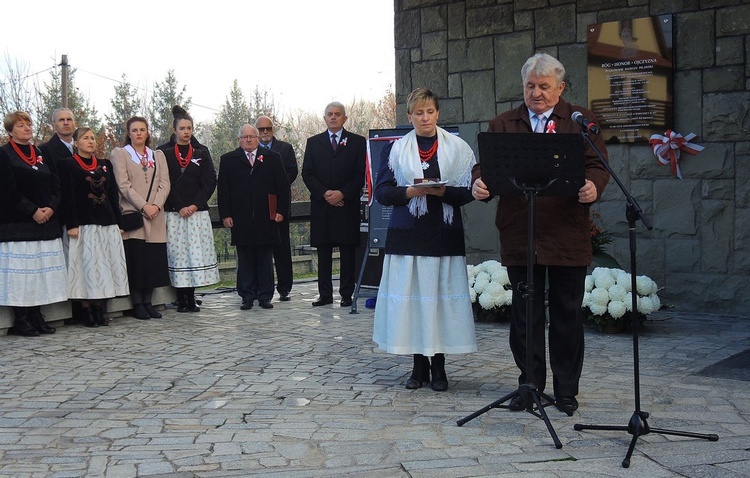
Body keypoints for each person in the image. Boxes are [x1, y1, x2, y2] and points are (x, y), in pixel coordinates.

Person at [471, 53, 611, 414]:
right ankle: (529, 385)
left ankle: (566, 390)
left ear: (561, 88)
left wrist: (594, 185)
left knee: (566, 314)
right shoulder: (504, 124)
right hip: (521, 233)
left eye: (544, 86)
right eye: (530, 86)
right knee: (525, 314)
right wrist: (479, 183)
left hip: (566, 233)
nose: (536, 93)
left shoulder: (579, 122)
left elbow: (597, 163)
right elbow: (484, 166)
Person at [372, 88, 477, 391]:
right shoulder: (395, 150)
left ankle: (440, 368)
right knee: (415, 303)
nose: (425, 117)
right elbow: (382, 192)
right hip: (408, 236)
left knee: (440, 303)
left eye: (430, 111)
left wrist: (443, 192)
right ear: (409, 116)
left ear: (437, 113)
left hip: (444, 235)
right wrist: (410, 192)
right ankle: (418, 367)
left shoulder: (457, 148)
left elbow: (469, 192)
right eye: (419, 112)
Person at [0, 111, 67, 336]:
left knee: (39, 273)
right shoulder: (4, 155)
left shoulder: (41, 153)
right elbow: (8, 191)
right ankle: (21, 318)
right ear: (10, 130)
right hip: (18, 225)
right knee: (23, 274)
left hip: (46, 223)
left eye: (28, 124)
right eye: (21, 125)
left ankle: (37, 315)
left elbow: (56, 186)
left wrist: (50, 208)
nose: (27, 128)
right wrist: (33, 211)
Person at [58, 127, 129, 327]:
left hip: (105, 223)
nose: (90, 141)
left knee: (104, 267)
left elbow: (112, 195)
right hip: (83, 224)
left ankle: (100, 307)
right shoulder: (68, 165)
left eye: (92, 138)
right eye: (85, 138)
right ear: (76, 142)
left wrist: (119, 223)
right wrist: (71, 224)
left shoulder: (105, 165)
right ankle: (87, 309)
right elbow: (68, 196)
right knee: (86, 266)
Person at [217, 124, 290, 310]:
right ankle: (247, 296)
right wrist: (225, 214)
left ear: (257, 138)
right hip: (241, 218)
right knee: (245, 258)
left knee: (265, 258)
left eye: (252, 136)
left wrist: (281, 211)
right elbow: (223, 191)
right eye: (244, 137)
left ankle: (265, 296)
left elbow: (282, 187)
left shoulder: (273, 158)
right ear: (239, 139)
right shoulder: (228, 160)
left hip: (267, 217)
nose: (248, 140)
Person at [301, 102, 366, 307]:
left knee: (347, 251)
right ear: (324, 118)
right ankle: (325, 294)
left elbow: (360, 174)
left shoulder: (357, 142)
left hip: (347, 206)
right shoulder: (314, 142)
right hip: (323, 207)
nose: (333, 117)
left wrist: (342, 194)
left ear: (345, 118)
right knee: (324, 250)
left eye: (338, 114)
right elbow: (307, 173)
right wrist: (325, 194)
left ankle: (347, 294)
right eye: (329, 114)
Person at [157, 106, 219, 313]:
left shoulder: (201, 153)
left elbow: (209, 181)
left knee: (193, 254)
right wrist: (179, 206)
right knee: (178, 254)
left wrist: (194, 205)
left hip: (196, 212)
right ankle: (180, 298)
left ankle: (191, 298)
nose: (186, 131)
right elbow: (164, 182)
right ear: (174, 130)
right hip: (174, 213)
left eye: (189, 128)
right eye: (182, 128)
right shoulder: (164, 153)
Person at [111, 116, 171, 321]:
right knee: (137, 261)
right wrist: (144, 206)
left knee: (153, 262)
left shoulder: (157, 155)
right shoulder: (121, 154)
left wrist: (155, 205)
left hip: (155, 215)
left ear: (147, 133)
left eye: (142, 130)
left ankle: (149, 302)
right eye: (134, 130)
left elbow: (165, 184)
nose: (138, 133)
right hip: (134, 214)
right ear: (128, 133)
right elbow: (123, 184)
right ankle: (138, 303)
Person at [255, 115, 298, 302]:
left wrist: (276, 186)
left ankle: (284, 287)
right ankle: (260, 287)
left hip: (279, 204)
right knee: (259, 250)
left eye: (268, 129)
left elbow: (292, 171)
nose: (265, 132)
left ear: (273, 130)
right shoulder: (251, 149)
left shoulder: (285, 149)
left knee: (282, 249)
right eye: (261, 129)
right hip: (257, 207)